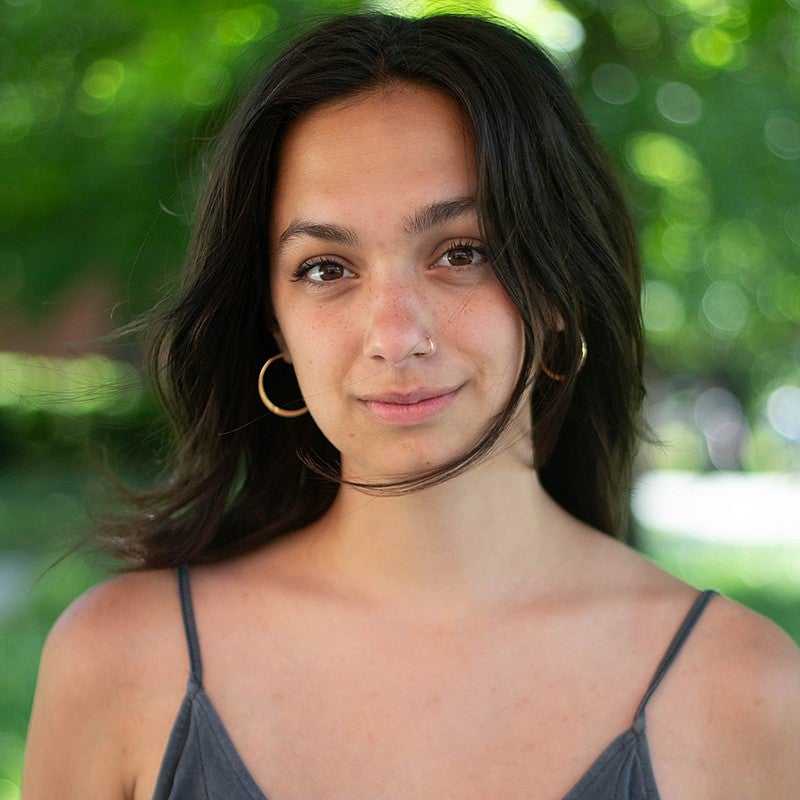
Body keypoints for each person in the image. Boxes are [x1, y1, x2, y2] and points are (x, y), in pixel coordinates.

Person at [22, 11, 800, 800]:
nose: (395, 336)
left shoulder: (746, 693)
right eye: (326, 268)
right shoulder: (120, 664)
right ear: (274, 324)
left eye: (463, 252)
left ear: (560, 286)